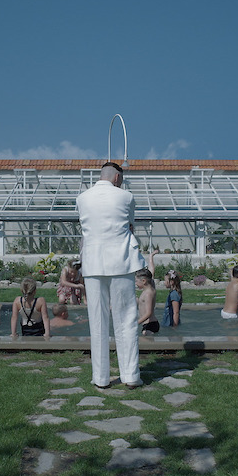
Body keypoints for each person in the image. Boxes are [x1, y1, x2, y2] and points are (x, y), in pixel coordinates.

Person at [77, 162, 146, 389]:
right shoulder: (126, 197)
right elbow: (131, 227)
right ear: (117, 178)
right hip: (121, 262)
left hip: (93, 264)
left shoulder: (82, 198)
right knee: (126, 319)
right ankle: (131, 375)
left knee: (97, 322)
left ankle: (101, 378)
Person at [151, 249, 183, 327]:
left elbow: (176, 312)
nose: (164, 282)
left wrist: (174, 327)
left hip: (171, 323)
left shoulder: (174, 294)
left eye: (165, 281)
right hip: (168, 322)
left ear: (171, 282)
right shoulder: (173, 293)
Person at [135, 263, 158, 336]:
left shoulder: (148, 293)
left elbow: (149, 313)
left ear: (144, 281)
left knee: (145, 343)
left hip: (150, 325)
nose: (135, 283)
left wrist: (135, 323)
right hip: (148, 324)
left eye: (136, 281)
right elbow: (151, 272)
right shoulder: (149, 289)